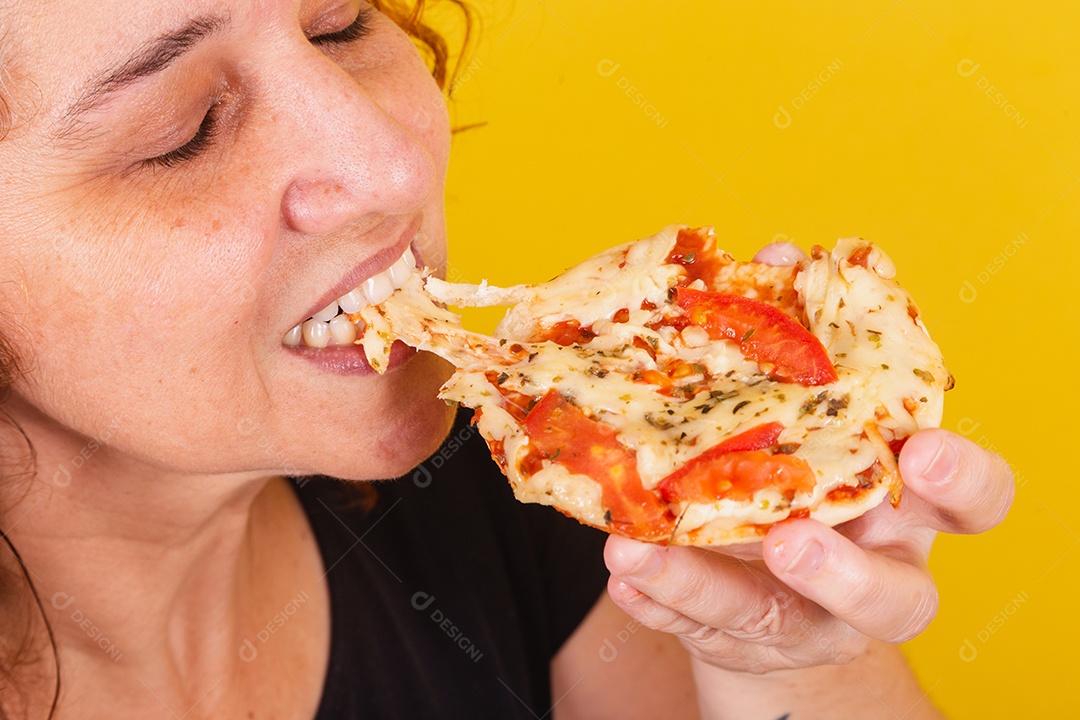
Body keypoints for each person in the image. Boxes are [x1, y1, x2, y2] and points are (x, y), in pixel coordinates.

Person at [0, 1, 1014, 718]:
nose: (392, 161)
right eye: (182, 133)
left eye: (340, 25)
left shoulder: (529, 481)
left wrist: (779, 652)